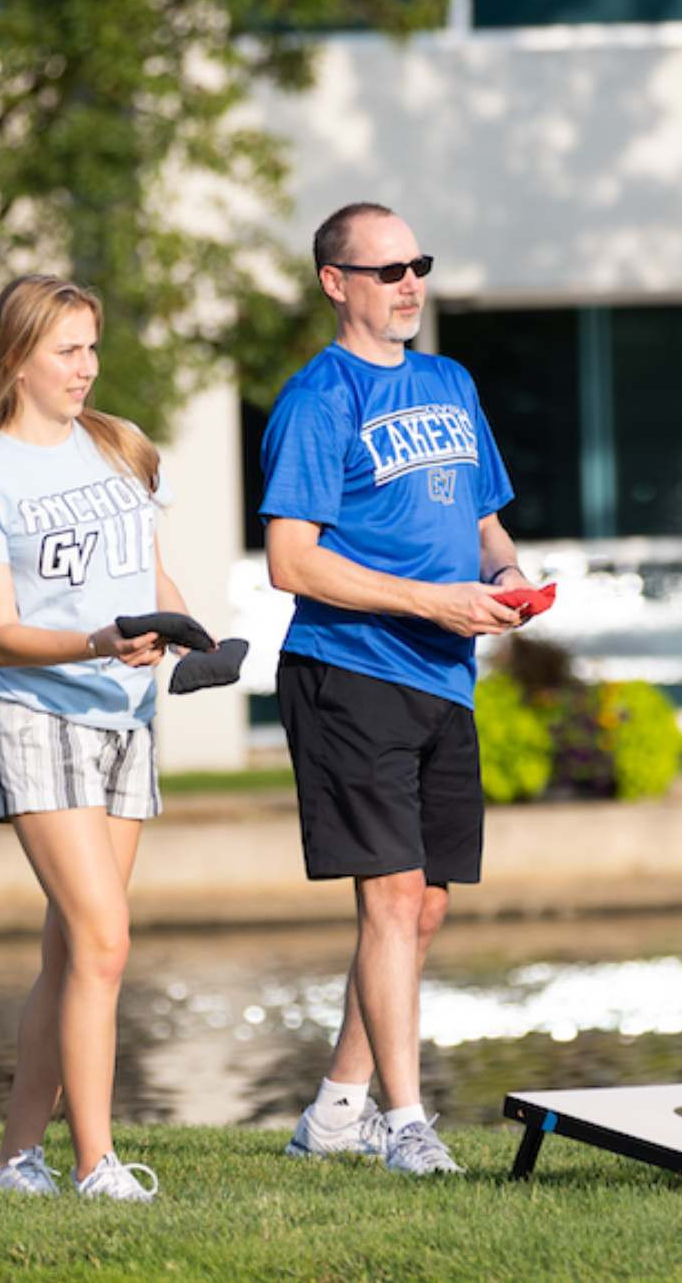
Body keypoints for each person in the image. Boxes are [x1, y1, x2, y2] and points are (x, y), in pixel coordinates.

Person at [261, 203, 534, 1176]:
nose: (408, 282)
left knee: (423, 909)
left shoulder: (449, 381)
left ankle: (336, 1107)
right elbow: (290, 562)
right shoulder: (316, 399)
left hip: (442, 677)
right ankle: (407, 1125)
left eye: (416, 263)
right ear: (336, 283)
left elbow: (485, 519)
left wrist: (503, 579)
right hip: (349, 672)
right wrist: (430, 600)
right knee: (389, 898)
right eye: (385, 270)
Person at [0, 274, 199, 1202]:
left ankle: (14, 1159)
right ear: (16, 358)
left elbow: (150, 570)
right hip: (37, 717)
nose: (87, 368)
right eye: (67, 351)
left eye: (92, 347)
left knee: (74, 953)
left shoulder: (117, 445)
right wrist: (96, 641)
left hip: (127, 720)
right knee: (105, 939)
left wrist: (184, 632)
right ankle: (97, 1163)